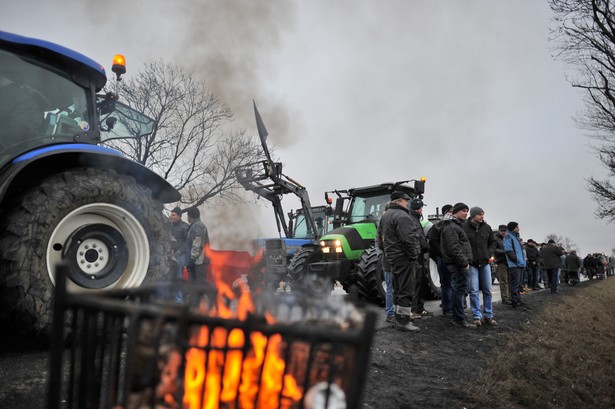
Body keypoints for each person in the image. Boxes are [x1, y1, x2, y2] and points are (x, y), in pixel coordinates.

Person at [380, 191, 421, 332]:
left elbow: (380, 240)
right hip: (403, 258)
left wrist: (387, 254)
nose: (407, 203)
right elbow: (408, 240)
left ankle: (398, 319)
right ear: (398, 201)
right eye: (405, 201)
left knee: (397, 290)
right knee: (406, 290)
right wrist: (413, 256)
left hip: (391, 259)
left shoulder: (385, 216)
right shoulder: (403, 216)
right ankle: (403, 322)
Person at [439, 202, 476, 328]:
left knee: (459, 290)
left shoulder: (456, 225)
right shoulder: (450, 226)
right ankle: (459, 319)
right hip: (458, 264)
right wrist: (464, 262)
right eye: (463, 211)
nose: (466, 213)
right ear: (455, 212)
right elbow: (453, 247)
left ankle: (459, 316)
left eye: (467, 211)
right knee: (459, 290)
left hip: (459, 263)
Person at [462, 206, 498, 326]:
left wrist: (489, 253)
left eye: (483, 214)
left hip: (485, 263)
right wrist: (467, 258)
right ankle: (477, 316)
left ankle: (488, 315)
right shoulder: (464, 228)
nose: (482, 216)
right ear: (473, 215)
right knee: (474, 291)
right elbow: (461, 243)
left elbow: (493, 242)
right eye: (480, 214)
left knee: (487, 290)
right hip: (472, 264)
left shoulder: (486, 228)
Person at [427, 203, 454, 317]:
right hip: (444, 259)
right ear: (446, 212)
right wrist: (441, 255)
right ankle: (448, 308)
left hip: (449, 258)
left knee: (451, 284)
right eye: (451, 211)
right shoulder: (438, 226)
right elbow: (432, 243)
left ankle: (452, 306)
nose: (452, 213)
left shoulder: (455, 225)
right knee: (447, 284)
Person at [409, 198, 433, 319]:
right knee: (417, 283)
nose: (422, 210)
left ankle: (419, 308)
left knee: (421, 282)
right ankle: (415, 309)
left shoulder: (415, 219)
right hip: (416, 255)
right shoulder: (413, 220)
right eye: (421, 208)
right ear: (417, 209)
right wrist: (426, 246)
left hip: (418, 254)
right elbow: (418, 237)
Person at [376, 203, 394, 323]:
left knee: (390, 287)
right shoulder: (386, 223)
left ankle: (391, 312)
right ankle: (391, 312)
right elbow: (379, 242)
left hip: (388, 259)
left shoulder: (381, 223)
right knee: (392, 287)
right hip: (391, 259)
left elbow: (378, 242)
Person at [503, 222, 528, 309]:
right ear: (513, 228)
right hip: (514, 265)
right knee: (515, 284)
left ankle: (518, 300)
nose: (519, 228)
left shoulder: (516, 237)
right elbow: (508, 250)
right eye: (517, 227)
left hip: (519, 264)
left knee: (519, 284)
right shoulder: (509, 236)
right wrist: (516, 260)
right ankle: (515, 302)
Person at [185, 207, 211, 285]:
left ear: (190, 216)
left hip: (199, 262)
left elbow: (197, 243)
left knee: (201, 285)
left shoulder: (198, 226)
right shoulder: (195, 225)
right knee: (194, 287)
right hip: (196, 262)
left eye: (187, 216)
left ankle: (208, 297)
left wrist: (192, 259)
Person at [493, 225, 511, 305]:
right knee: (503, 281)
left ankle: (511, 297)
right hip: (501, 262)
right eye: (502, 230)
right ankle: (505, 298)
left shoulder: (508, 238)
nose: (503, 232)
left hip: (510, 262)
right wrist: (505, 252)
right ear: (499, 231)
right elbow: (494, 249)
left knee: (510, 280)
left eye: (505, 230)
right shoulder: (495, 239)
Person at [169, 207, 189, 279]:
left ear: (179, 216)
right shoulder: (169, 226)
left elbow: (189, 242)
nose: (171, 217)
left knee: (178, 265)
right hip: (171, 253)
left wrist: (180, 251)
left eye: (173, 215)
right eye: (171, 215)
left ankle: (179, 288)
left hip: (182, 254)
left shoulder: (185, 226)